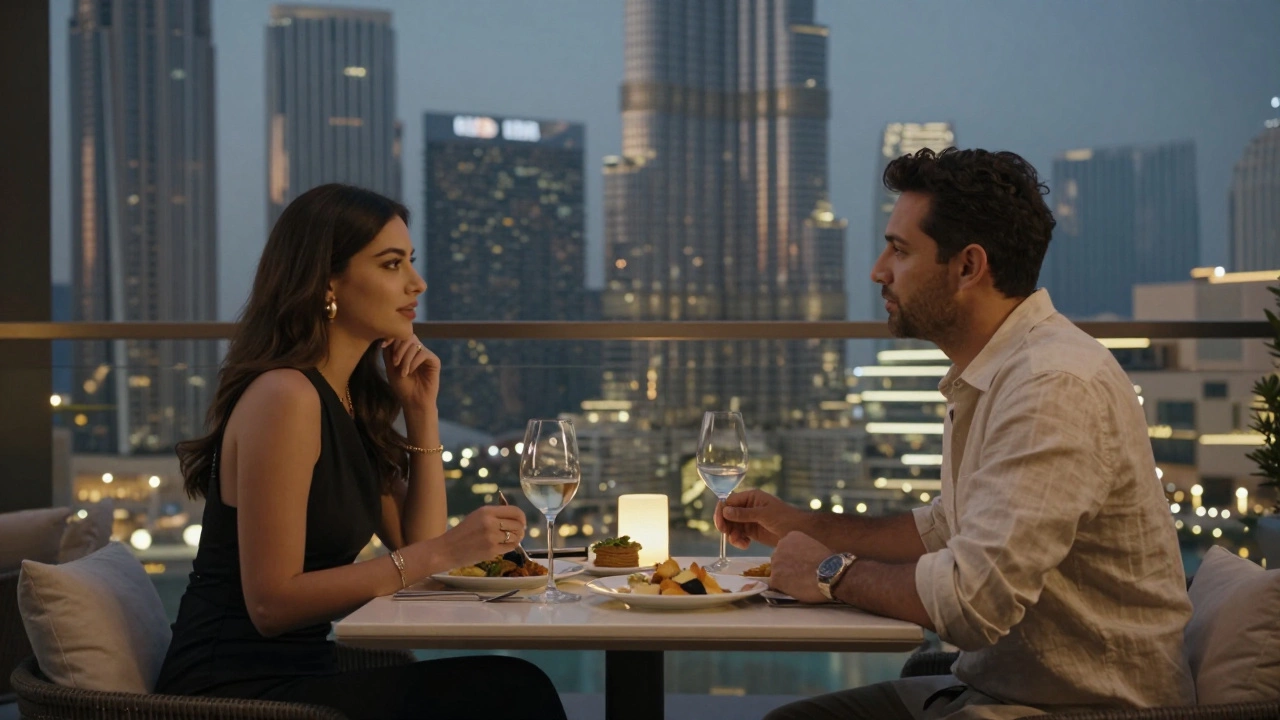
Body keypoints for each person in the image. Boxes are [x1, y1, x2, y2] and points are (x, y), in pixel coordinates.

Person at [718, 149, 1194, 719]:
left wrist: (828, 573)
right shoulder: (998, 372)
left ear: (968, 267)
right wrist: (801, 524)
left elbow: (975, 600)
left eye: (899, 249)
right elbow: (946, 529)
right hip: (994, 691)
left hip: (1084, 709)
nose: (877, 270)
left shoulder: (1052, 386)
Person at [155, 184, 567, 720]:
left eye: (410, 263)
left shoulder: (348, 400)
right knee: (512, 690)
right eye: (392, 265)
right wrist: (447, 551)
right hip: (233, 693)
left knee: (511, 685)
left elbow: (416, 545)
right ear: (328, 281)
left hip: (305, 675)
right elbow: (271, 604)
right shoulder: (286, 396)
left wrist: (421, 411)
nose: (416, 283)